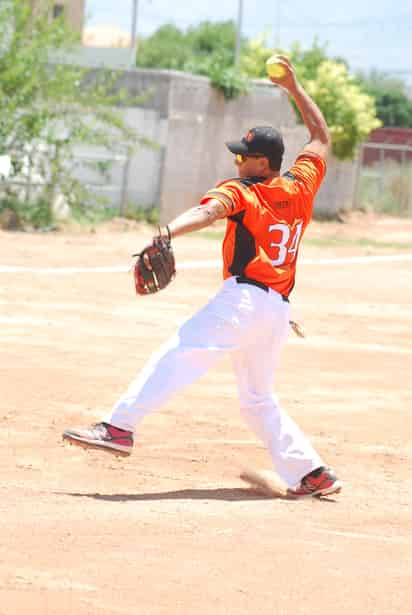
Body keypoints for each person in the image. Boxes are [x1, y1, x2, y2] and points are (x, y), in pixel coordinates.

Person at [63, 56, 342, 498]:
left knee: (180, 350)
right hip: (275, 311)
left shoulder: (243, 192)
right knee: (257, 400)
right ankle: (311, 473)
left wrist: (168, 230)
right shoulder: (301, 186)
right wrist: (293, 86)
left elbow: (209, 211)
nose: (236, 161)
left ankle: (119, 427)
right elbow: (321, 135)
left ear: (262, 162)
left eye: (243, 155)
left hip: (244, 302)